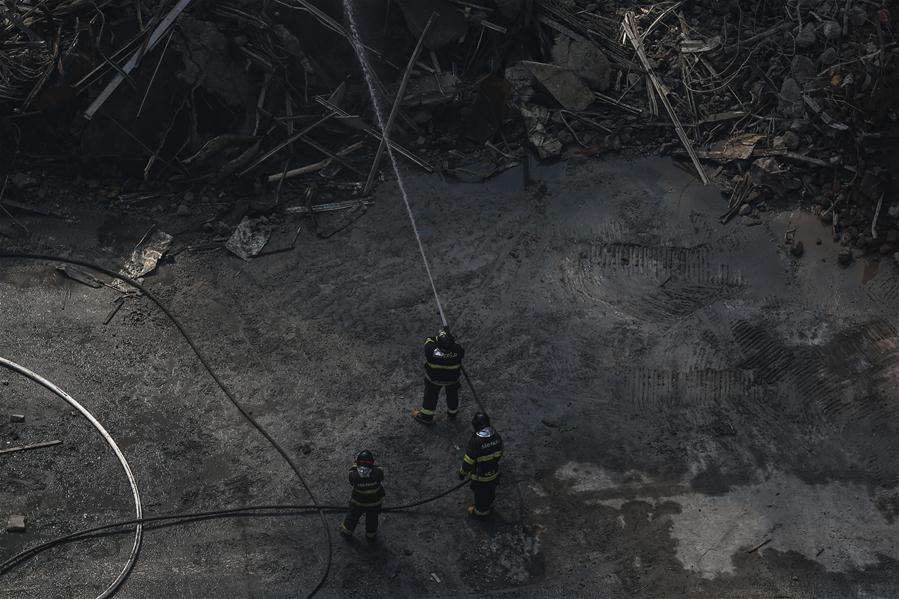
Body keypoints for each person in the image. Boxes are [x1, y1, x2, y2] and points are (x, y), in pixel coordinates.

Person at [412, 327, 464, 425]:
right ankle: (452, 413)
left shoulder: (430, 350)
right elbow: (457, 347)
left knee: (431, 396)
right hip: (452, 380)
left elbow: (429, 339)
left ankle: (426, 416)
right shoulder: (458, 350)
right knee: (452, 395)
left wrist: (440, 336)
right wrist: (449, 338)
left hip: (434, 380)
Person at [458, 412, 503, 517]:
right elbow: (500, 453)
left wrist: (462, 473)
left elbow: (468, 461)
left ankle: (481, 513)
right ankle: (489, 504)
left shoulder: (476, 442)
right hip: (494, 473)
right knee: (491, 491)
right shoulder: (497, 436)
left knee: (480, 495)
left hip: (480, 477)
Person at [339, 450, 385, 543]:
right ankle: (371, 536)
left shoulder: (354, 476)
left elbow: (351, 471)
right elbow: (379, 468)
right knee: (372, 520)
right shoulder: (378, 473)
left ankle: (346, 532)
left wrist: (356, 465)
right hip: (374, 504)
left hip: (358, 503)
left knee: (352, 517)